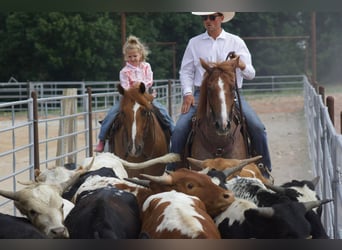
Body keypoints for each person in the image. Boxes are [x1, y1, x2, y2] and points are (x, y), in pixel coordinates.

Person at [168, 12, 272, 176]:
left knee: (258, 128)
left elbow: (251, 74)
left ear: (221, 18)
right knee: (179, 130)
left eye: (212, 17)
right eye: (205, 18)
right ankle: (172, 171)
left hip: (231, 94)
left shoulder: (236, 42)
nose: (208, 21)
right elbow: (186, 72)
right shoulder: (194, 43)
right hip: (201, 94)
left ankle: (264, 170)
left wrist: (241, 64)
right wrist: (188, 93)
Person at [95, 35, 175, 152]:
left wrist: (141, 85)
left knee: (161, 111)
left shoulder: (146, 66)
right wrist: (133, 89)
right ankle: (102, 139)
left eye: (135, 56)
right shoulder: (124, 72)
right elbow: (125, 87)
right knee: (112, 114)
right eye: (130, 56)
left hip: (145, 96)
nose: (133, 58)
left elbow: (149, 80)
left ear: (141, 55)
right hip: (129, 98)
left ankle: (174, 132)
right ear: (126, 57)